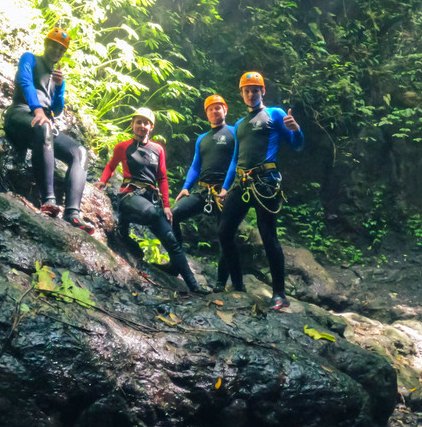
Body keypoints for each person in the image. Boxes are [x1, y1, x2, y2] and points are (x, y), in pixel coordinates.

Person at [216, 71, 304, 310]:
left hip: (266, 181)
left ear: (262, 91)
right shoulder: (240, 125)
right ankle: (238, 285)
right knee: (224, 232)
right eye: (246, 90)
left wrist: (296, 130)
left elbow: (296, 145)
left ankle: (279, 294)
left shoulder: (274, 114)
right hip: (242, 183)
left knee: (268, 235)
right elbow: (235, 159)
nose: (251, 93)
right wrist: (225, 188)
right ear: (242, 94)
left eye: (255, 89)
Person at [97, 107, 207, 293]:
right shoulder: (122, 147)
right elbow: (111, 166)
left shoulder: (158, 149)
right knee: (153, 214)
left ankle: (194, 286)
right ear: (132, 124)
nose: (142, 126)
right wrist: (102, 181)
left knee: (172, 241)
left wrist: (166, 206)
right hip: (129, 196)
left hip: (151, 202)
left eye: (145, 123)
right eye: (138, 122)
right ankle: (123, 222)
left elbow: (162, 178)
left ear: (151, 127)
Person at [3, 26, 94, 232]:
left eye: (61, 49)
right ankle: (48, 200)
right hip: (20, 112)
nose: (56, 51)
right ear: (46, 44)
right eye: (54, 46)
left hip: (44, 119)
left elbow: (56, 109)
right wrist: (36, 110)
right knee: (44, 127)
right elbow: (24, 82)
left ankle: (73, 213)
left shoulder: (57, 74)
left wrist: (60, 88)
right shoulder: (30, 58)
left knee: (79, 152)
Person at [171, 94, 235, 246]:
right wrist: (186, 187)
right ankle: (177, 263)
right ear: (206, 114)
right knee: (173, 215)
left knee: (225, 235)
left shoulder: (234, 132)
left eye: (217, 108)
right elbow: (195, 165)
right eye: (210, 109)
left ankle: (225, 271)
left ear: (225, 110)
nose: (214, 112)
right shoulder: (202, 139)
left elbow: (237, 160)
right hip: (203, 190)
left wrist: (227, 188)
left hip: (225, 192)